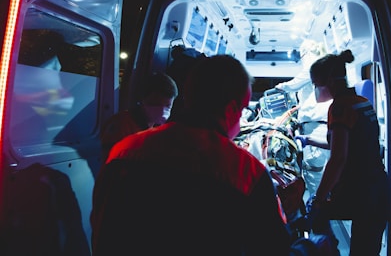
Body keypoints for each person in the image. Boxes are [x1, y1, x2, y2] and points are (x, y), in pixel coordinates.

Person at [91, 55, 319, 255]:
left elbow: (100, 228)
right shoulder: (246, 171)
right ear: (231, 111)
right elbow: (272, 250)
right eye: (240, 113)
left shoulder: (125, 150)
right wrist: (311, 248)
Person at [303, 49, 390, 256]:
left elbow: (338, 158)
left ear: (330, 81)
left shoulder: (339, 108)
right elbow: (350, 144)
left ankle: (327, 249)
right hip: (378, 188)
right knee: (367, 250)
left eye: (316, 85)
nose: (316, 90)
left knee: (317, 212)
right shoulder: (361, 102)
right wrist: (308, 140)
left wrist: (319, 198)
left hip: (361, 192)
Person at [275, 40, 332, 200]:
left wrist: (282, 86)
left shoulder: (313, 66)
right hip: (321, 126)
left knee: (314, 171)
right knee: (322, 171)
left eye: (301, 56)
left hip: (316, 128)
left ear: (306, 53)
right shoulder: (323, 68)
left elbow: (299, 80)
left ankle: (318, 211)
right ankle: (322, 206)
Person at [99, 72, 178, 162]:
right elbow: (110, 162)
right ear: (143, 100)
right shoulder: (121, 124)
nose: (162, 111)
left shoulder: (156, 129)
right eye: (156, 104)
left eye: (168, 106)